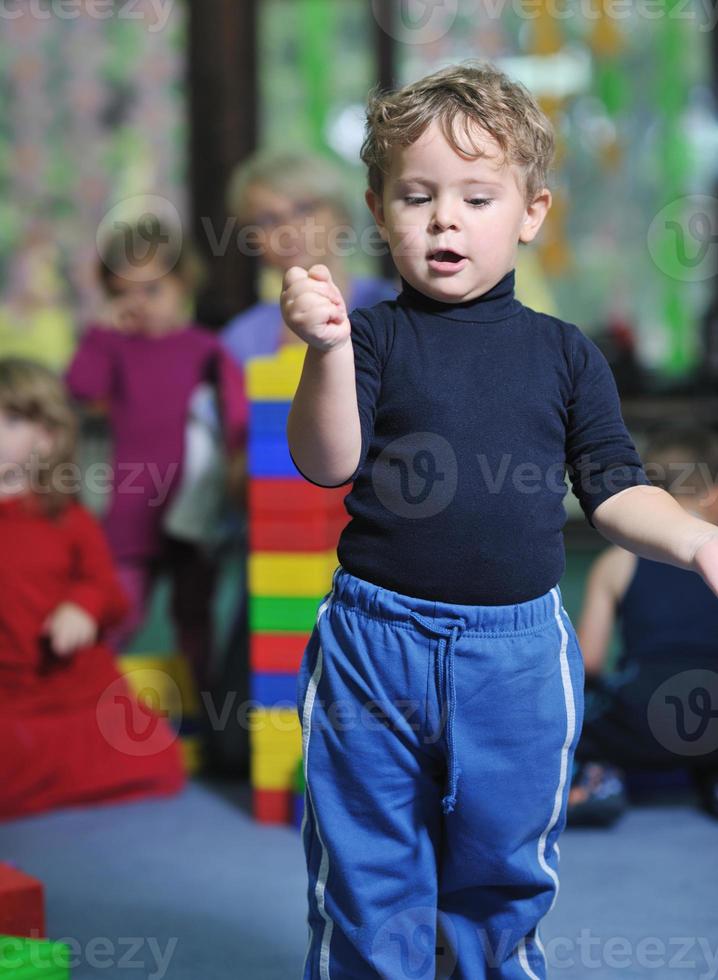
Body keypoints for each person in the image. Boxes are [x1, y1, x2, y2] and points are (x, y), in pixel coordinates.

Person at [280, 63, 718, 978]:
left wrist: (692, 535)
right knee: (366, 873)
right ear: (379, 209)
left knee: (503, 873)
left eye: (478, 196)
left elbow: (614, 488)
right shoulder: (371, 339)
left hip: (516, 659)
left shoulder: (565, 355)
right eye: (417, 196)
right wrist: (322, 354)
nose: (445, 218)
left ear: (531, 212)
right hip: (375, 644)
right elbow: (326, 463)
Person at [65, 218, 247, 698]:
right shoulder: (115, 348)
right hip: (129, 512)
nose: (138, 304)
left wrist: (236, 475)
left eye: (152, 290)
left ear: (183, 283)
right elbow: (80, 390)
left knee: (195, 615)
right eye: (124, 293)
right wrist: (101, 335)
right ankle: (83, 698)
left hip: (193, 510)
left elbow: (235, 418)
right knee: (118, 611)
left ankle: (206, 710)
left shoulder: (207, 349)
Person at [0, 357, 185, 821]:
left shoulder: (67, 517)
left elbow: (106, 589)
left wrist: (81, 607)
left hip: (71, 687)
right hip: (9, 694)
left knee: (153, 752)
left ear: (46, 437)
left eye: (11, 420)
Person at [568, 425, 718, 826]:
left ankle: (599, 775)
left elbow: (589, 661)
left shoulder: (617, 560)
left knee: (580, 714)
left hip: (641, 719)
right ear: (713, 492)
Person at [221, 150, 397, 367]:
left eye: (303, 209)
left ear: (341, 215)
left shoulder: (394, 307)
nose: (288, 229)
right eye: (267, 219)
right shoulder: (240, 340)